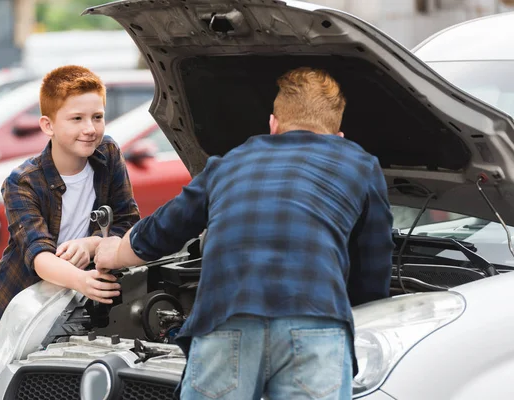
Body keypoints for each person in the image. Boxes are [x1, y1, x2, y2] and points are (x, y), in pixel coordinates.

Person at [94, 67, 394, 399]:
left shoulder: (229, 164)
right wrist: (363, 316)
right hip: (315, 322)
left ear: (273, 125)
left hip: (225, 318)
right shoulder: (360, 163)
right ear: (339, 137)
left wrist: (111, 251)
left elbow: (163, 230)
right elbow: (373, 262)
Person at [0, 65, 140, 352]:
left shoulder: (109, 154)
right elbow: (39, 256)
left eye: (98, 117)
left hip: (83, 303)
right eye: (76, 119)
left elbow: (128, 220)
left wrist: (91, 244)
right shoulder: (21, 182)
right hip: (21, 305)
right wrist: (82, 280)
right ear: (47, 125)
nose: (90, 129)